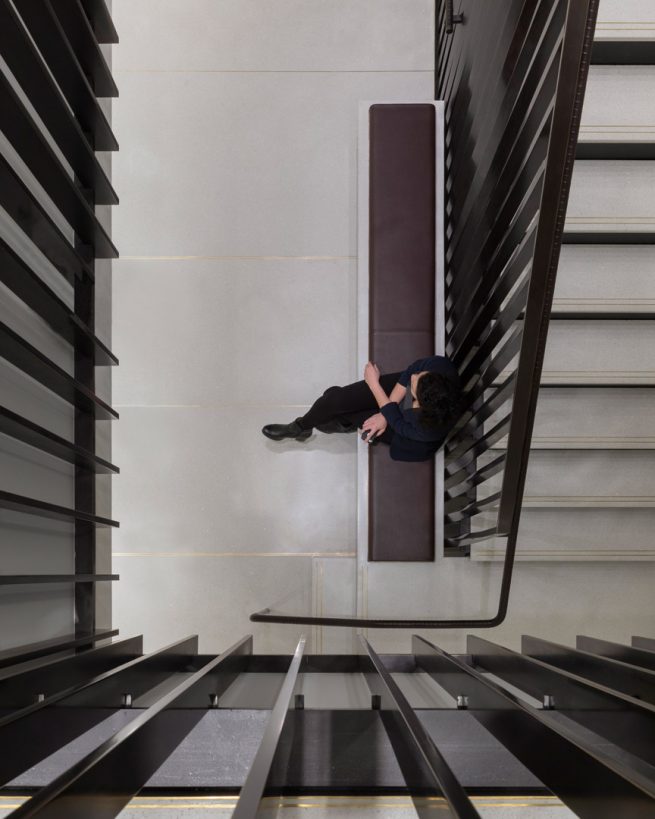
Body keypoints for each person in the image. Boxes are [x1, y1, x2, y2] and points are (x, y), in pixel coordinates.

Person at [262, 355, 462, 462]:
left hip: (407, 435)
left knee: (354, 415)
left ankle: (344, 422)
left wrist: (375, 386)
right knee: (335, 399)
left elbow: (400, 425)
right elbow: (409, 373)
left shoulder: (426, 428)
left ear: (418, 405)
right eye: (420, 375)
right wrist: (384, 412)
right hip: (399, 406)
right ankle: (300, 427)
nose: (413, 378)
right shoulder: (440, 367)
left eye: (415, 386)